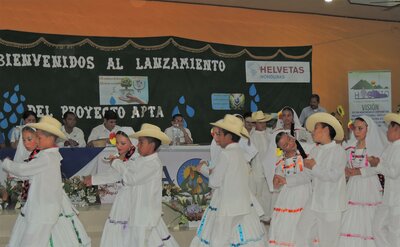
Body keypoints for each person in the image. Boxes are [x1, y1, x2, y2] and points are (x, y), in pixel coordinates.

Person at [1, 116, 91, 247]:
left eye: (39, 137)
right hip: (41, 206)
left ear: (51, 138)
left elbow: (24, 170)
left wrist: (6, 164)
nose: (36, 140)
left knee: (33, 240)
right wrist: (16, 176)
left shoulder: (48, 157)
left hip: (44, 209)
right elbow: (34, 175)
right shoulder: (47, 155)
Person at [190, 114, 268, 247]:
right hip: (243, 205)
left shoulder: (226, 154)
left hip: (226, 206)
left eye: (220, 134)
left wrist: (204, 169)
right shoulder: (240, 153)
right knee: (239, 238)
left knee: (219, 240)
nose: (217, 138)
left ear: (230, 136)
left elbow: (214, 182)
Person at [110, 123, 179, 246]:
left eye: (141, 142)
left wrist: (116, 162)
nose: (137, 145)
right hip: (137, 214)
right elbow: (128, 169)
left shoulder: (153, 164)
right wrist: (119, 161)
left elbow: (130, 178)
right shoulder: (141, 160)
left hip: (145, 216)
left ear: (152, 146)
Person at [295, 112, 347, 247]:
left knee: (328, 242)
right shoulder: (315, 150)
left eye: (316, 128)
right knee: (302, 232)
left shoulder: (339, 151)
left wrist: (314, 166)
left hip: (331, 205)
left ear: (326, 130)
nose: (312, 132)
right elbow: (307, 175)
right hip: (314, 202)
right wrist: (286, 180)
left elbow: (333, 176)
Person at [83, 127, 137, 247]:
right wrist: (93, 179)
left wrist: (116, 162)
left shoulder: (136, 157)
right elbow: (113, 174)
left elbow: (126, 175)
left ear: (132, 142)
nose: (119, 146)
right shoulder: (123, 155)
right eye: (117, 142)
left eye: (123, 143)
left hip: (135, 197)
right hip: (124, 196)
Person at [338, 115, 387, 246]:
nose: (357, 132)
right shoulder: (349, 147)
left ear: (368, 129)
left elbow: (379, 168)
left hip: (369, 186)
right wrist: (346, 170)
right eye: (355, 128)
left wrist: (360, 172)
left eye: (360, 128)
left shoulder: (375, 148)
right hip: (353, 186)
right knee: (351, 214)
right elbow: (345, 165)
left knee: (369, 216)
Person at [358, 112, 400, 247]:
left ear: (397, 130)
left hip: (397, 200)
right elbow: (378, 168)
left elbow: (393, 172)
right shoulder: (390, 147)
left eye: (389, 128)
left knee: (395, 232)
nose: (387, 131)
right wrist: (359, 172)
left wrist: (378, 164)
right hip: (388, 198)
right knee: (378, 227)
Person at [269, 132, 312, 247]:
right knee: (287, 222)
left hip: (304, 193)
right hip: (288, 195)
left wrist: (286, 180)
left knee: (303, 220)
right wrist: (276, 181)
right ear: (281, 148)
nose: (290, 143)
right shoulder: (281, 160)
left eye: (289, 139)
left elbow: (309, 175)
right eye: (285, 145)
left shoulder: (306, 152)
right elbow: (277, 179)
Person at [249, 110, 275, 222]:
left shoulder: (270, 134)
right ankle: (260, 214)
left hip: (270, 168)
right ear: (255, 124)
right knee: (258, 191)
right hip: (258, 168)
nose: (263, 124)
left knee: (269, 191)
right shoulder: (252, 137)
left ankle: (269, 214)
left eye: (264, 122)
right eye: (260, 122)